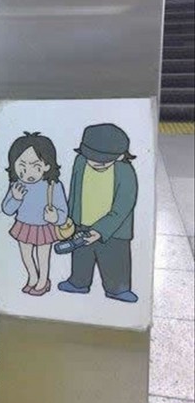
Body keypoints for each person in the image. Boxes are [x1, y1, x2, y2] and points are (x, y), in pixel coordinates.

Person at [58, 123, 139, 303]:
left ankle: (118, 289)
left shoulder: (125, 171)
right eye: (91, 158)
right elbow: (75, 191)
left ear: (120, 156)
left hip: (114, 230)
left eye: (103, 161)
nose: (95, 163)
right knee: (81, 255)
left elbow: (124, 206)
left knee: (114, 259)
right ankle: (78, 282)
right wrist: (70, 220)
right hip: (82, 223)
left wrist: (101, 230)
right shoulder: (80, 162)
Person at [2, 132, 68, 296]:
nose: (28, 173)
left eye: (35, 166)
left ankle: (43, 281)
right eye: (22, 166)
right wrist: (16, 198)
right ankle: (32, 277)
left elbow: (63, 211)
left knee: (43, 257)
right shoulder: (16, 184)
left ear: (47, 166)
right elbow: (7, 209)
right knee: (26, 255)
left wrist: (55, 217)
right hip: (23, 224)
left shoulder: (53, 185)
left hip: (44, 226)